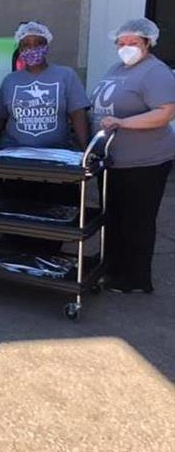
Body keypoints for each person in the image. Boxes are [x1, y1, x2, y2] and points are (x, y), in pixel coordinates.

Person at [90, 18, 175, 294]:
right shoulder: (118, 68)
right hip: (114, 161)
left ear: (147, 43)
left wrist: (123, 123)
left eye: (133, 43)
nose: (126, 47)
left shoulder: (155, 72)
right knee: (114, 216)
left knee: (137, 219)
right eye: (121, 43)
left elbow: (165, 113)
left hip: (145, 162)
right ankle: (111, 266)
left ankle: (135, 278)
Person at [0, 21, 91, 217]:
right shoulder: (11, 80)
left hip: (55, 157)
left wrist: (86, 149)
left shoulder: (65, 75)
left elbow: (78, 113)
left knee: (53, 214)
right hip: (17, 158)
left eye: (38, 43)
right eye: (26, 44)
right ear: (20, 48)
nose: (32, 48)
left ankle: (48, 247)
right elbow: (0, 116)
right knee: (18, 212)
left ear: (47, 46)